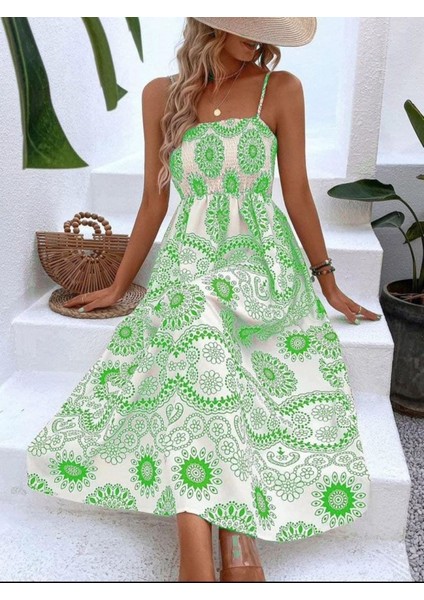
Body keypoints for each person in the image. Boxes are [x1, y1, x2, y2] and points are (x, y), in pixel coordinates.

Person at [26, 17, 380, 583]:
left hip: (259, 261)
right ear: (210, 24)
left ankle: (207, 551)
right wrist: (119, 283)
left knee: (199, 338)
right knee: (198, 336)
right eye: (245, 22)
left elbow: (295, 193)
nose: (257, 37)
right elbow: (154, 202)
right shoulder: (160, 96)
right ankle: (221, 544)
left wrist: (327, 281)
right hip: (191, 259)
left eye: (263, 26)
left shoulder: (279, 89)